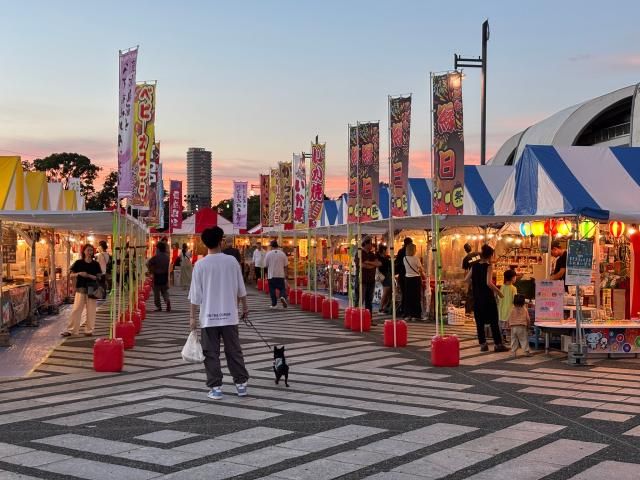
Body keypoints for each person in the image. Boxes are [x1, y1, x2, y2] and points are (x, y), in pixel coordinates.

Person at [189, 226, 249, 400]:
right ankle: (241, 385)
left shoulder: (200, 265)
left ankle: (215, 388)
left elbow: (195, 295)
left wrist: (192, 317)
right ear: (221, 241)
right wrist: (245, 308)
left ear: (204, 243)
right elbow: (241, 289)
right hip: (230, 316)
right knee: (234, 351)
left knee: (210, 353)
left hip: (208, 318)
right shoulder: (232, 261)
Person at [465, 244, 508, 352]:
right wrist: (499, 292)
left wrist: (475, 284)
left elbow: (466, 279)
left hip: (477, 298)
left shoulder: (474, 266)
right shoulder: (489, 266)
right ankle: (498, 344)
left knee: (479, 322)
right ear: (490, 255)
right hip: (488, 298)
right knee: (494, 321)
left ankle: (483, 344)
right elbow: (488, 283)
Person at [61, 244, 102, 337]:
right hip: (81, 288)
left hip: (92, 289)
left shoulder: (96, 264)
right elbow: (71, 274)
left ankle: (89, 330)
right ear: (84, 251)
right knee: (76, 309)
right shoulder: (78, 262)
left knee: (91, 310)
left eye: (91, 250)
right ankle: (72, 330)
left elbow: (99, 277)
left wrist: (89, 276)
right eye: (88, 250)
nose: (89, 252)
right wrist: (79, 273)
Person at [354, 237, 381, 316]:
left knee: (369, 301)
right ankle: (356, 316)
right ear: (365, 243)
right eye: (370, 243)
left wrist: (368, 262)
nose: (372, 245)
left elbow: (379, 263)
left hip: (371, 280)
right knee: (360, 300)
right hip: (362, 280)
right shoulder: (359, 253)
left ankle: (368, 317)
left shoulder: (372, 254)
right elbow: (362, 265)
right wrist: (373, 264)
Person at [147, 241, 171, 312]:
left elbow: (148, 263)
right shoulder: (167, 257)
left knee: (156, 293)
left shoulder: (156, 257)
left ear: (158, 249)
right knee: (164, 291)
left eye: (156, 248)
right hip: (165, 276)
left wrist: (151, 270)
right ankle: (167, 300)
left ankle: (159, 307)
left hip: (157, 276)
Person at [264, 240, 289, 309]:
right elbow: (286, 265)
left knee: (272, 290)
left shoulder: (268, 254)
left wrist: (266, 274)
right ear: (277, 246)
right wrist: (286, 275)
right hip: (280, 275)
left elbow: (265, 265)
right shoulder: (282, 254)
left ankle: (274, 304)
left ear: (271, 246)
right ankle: (282, 296)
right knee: (282, 288)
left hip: (271, 275)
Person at [402, 243, 424, 321]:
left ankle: (408, 314)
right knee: (416, 297)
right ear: (413, 250)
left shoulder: (404, 258)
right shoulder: (416, 258)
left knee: (408, 297)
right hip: (416, 279)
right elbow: (421, 269)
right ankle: (416, 315)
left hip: (407, 279)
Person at [498, 269, 518, 340]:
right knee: (509, 327)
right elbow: (514, 300)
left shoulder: (502, 287)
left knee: (502, 325)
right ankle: (509, 338)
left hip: (501, 310)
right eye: (515, 277)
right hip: (510, 311)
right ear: (512, 278)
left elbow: (499, 297)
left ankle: (503, 338)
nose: (516, 278)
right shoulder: (513, 288)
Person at [394, 237, 413, 308]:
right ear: (408, 243)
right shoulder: (408, 252)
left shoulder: (400, 251)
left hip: (401, 274)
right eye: (411, 243)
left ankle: (403, 308)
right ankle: (406, 308)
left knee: (404, 292)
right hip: (406, 274)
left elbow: (397, 261)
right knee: (407, 292)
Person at [462, 243, 480, 314]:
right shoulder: (477, 254)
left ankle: (469, 311)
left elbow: (466, 272)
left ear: (465, 250)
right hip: (481, 277)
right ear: (471, 247)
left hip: (473, 279)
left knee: (470, 294)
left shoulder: (466, 258)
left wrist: (465, 282)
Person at [377, 244, 392, 314]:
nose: (387, 251)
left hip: (386, 275)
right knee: (386, 292)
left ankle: (384, 307)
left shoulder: (383, 257)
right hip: (385, 276)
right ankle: (381, 308)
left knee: (388, 293)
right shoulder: (381, 258)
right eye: (386, 250)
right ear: (383, 251)